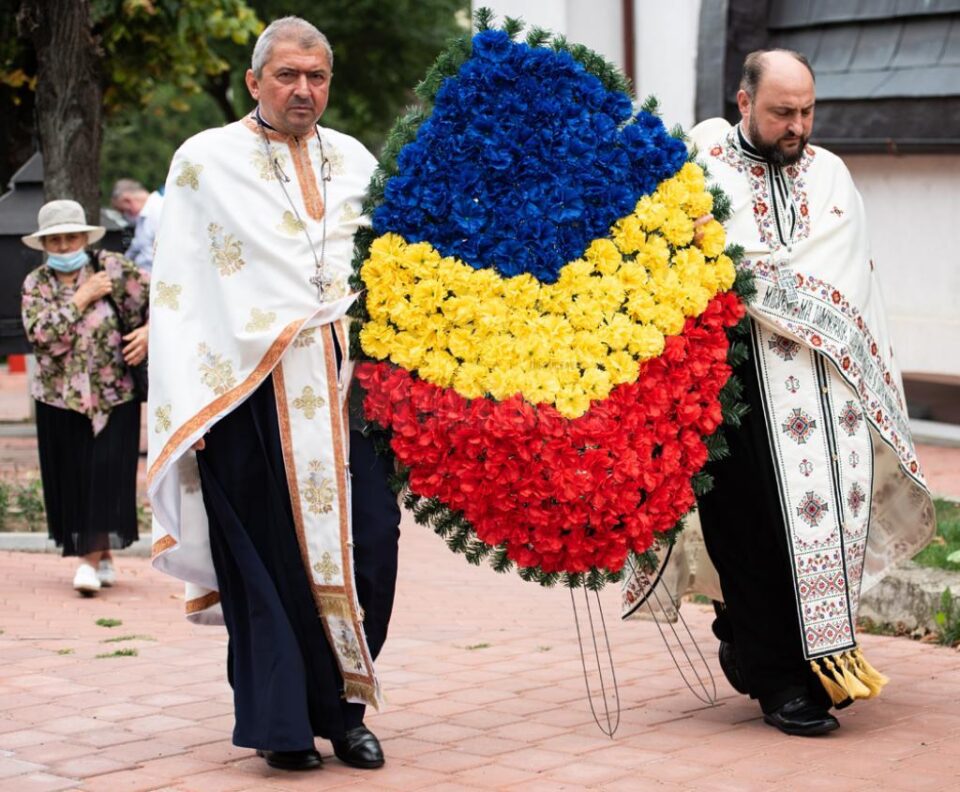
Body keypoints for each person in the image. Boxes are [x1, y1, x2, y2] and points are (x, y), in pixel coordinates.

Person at [629, 50, 935, 736]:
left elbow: (842, 275)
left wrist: (735, 266)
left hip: (818, 388)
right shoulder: (699, 161)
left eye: (806, 111)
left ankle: (803, 655)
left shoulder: (830, 174)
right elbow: (662, 250)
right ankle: (776, 680)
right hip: (727, 380)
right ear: (744, 103)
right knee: (746, 530)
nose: (797, 125)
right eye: (781, 112)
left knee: (816, 525)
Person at [147, 16, 400, 772]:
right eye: (287, 75)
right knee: (269, 563)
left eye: (316, 76)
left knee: (372, 548)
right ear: (255, 80)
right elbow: (181, 287)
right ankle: (283, 723)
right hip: (248, 397)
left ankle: (344, 708)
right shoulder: (204, 161)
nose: (303, 89)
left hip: (346, 391)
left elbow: (387, 267)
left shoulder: (355, 159)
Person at [20, 199, 150, 595]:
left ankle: (87, 563)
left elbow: (164, 299)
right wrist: (82, 298)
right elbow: (41, 336)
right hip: (59, 399)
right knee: (75, 479)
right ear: (44, 245)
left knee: (106, 475)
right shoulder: (36, 284)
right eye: (55, 241)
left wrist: (149, 333)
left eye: (70, 237)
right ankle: (103, 555)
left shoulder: (112, 267)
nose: (63, 246)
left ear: (83, 237)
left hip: (115, 396)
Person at [110, 179, 164, 271]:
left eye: (123, 211)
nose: (124, 215)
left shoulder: (159, 211)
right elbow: (135, 248)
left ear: (128, 200)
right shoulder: (143, 218)